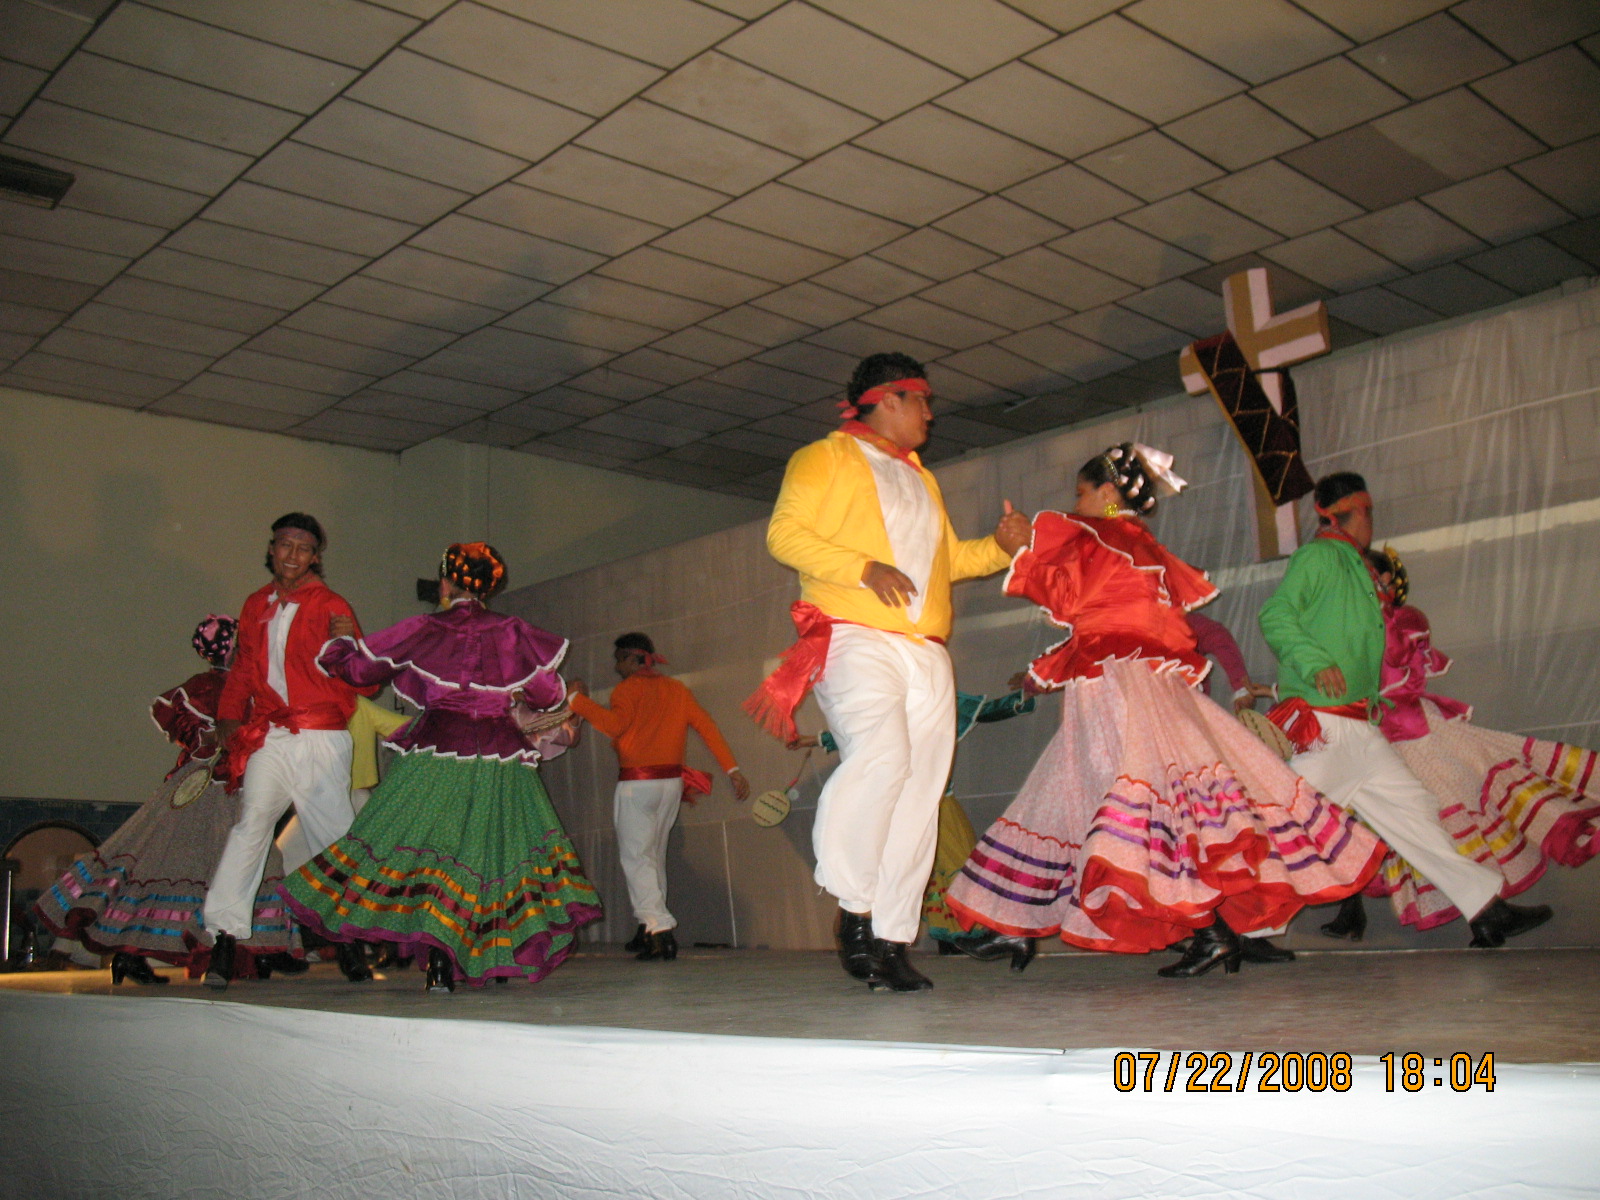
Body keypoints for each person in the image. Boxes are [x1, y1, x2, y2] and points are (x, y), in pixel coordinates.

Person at [946, 444, 1384, 977]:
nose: (1076, 502)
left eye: (1082, 492)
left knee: (1120, 801)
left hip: (1120, 684)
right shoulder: (1132, 540)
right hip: (1124, 679)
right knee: (1080, 796)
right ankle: (1013, 927)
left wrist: (1022, 550)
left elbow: (1072, 599)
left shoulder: (1108, 534)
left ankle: (1207, 933)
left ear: (1108, 494)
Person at [748, 351, 1031, 992]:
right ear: (889, 399)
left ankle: (892, 934)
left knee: (921, 790)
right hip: (853, 633)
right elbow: (784, 534)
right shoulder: (824, 457)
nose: (931, 413)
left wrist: (1002, 548)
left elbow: (946, 561)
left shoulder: (921, 478)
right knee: (882, 759)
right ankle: (854, 910)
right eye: (922, 400)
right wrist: (862, 567)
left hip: (927, 648)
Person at [282, 543, 601, 992]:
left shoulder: (426, 627)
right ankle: (491, 956)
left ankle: (438, 961)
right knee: (493, 856)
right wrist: (508, 691)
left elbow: (357, 670)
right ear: (490, 587)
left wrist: (338, 641)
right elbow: (548, 697)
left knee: (433, 853)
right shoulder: (514, 632)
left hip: (437, 750)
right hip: (500, 758)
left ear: (447, 582)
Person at [1259, 472, 1551, 947]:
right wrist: (1315, 663)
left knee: (1416, 814)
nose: (1371, 520)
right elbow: (1275, 614)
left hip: (1359, 728)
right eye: (1365, 511)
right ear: (1334, 515)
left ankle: (1485, 910)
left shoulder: (1358, 566)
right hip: (1325, 727)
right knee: (1283, 827)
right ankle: (1229, 924)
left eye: (1371, 510)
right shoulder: (1317, 557)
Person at [1330, 546, 1597, 937]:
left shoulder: (1403, 618)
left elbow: (1392, 658)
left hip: (1420, 737)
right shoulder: (1351, 622)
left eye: (1369, 575)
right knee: (1359, 819)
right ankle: (1351, 908)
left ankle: (1487, 915)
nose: (1361, 583)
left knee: (1454, 820)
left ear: (1386, 582)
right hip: (1377, 738)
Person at [34, 616, 300, 984]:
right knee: (203, 865)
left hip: (216, 783)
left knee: (188, 866)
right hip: (215, 786)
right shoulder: (218, 688)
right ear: (232, 649)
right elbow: (207, 733)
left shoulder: (227, 687)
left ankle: (156, 953)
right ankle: (209, 951)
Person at [202, 513, 375, 991]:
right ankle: (224, 937)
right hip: (270, 734)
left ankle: (350, 939)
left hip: (321, 736)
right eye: (285, 544)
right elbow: (242, 671)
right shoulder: (256, 603)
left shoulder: (332, 605)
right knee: (251, 822)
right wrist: (228, 719)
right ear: (273, 549)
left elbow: (368, 682)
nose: (292, 554)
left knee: (334, 836)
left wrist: (350, 645)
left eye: (303, 547)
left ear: (315, 556)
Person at [567, 632, 749, 962]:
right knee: (652, 856)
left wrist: (576, 702)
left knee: (638, 859)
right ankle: (648, 928)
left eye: (619, 658)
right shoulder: (676, 689)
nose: (616, 666)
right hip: (670, 784)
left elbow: (614, 726)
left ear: (632, 659)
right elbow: (706, 726)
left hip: (638, 784)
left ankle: (660, 929)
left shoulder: (628, 689)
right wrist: (732, 768)